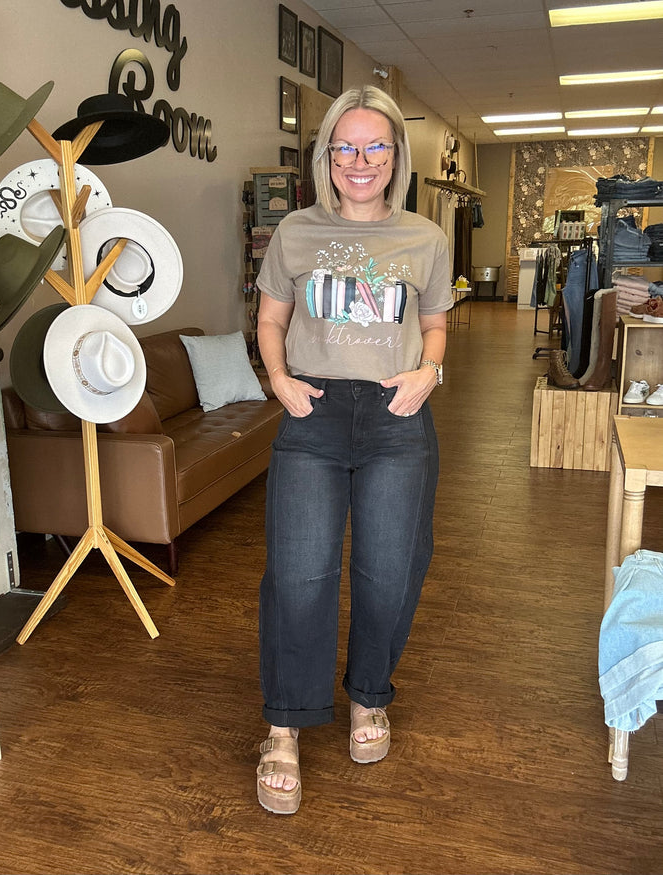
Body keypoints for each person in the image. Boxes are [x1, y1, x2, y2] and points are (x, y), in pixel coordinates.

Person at [254, 85, 452, 815]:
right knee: (298, 573)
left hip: (397, 414)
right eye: (345, 146)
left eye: (375, 147)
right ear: (326, 156)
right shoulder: (294, 232)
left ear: (396, 156)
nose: (359, 160)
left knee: (389, 570)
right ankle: (284, 725)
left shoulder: (426, 238)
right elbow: (270, 320)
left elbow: (435, 324)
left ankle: (369, 697)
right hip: (313, 412)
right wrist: (278, 379)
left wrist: (430, 371)